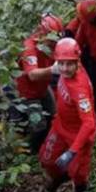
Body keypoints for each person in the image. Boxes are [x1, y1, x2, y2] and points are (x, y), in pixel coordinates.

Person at [38, 38, 96, 192]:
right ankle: (58, 179)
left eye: (69, 64)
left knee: (77, 172)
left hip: (78, 135)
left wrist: (72, 151)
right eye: (61, 63)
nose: (64, 68)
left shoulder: (79, 90)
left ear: (77, 61)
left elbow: (89, 123)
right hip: (60, 126)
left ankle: (80, 190)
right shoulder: (65, 69)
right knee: (47, 159)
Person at [10, 13, 64, 154]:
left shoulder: (52, 45)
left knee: (53, 115)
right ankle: (33, 151)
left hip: (43, 87)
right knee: (39, 125)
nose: (54, 44)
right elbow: (33, 75)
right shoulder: (29, 48)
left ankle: (45, 145)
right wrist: (53, 69)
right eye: (51, 41)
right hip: (27, 93)